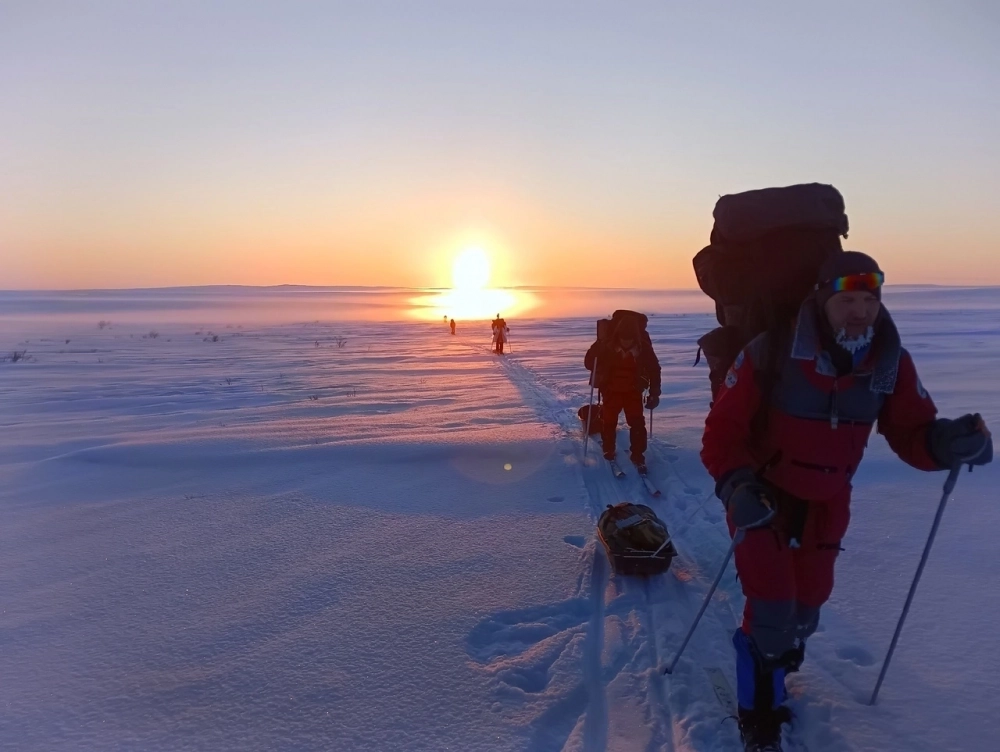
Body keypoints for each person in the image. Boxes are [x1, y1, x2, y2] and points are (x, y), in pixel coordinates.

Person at [701, 251, 993, 750]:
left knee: (806, 610)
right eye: (846, 301)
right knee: (771, 610)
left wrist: (947, 444)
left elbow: (910, 431)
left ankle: (778, 666)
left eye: (867, 301)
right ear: (821, 301)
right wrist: (737, 487)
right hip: (762, 498)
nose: (859, 312)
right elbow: (721, 434)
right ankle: (759, 714)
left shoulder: (889, 362)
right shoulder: (770, 352)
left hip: (829, 502)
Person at [584, 315, 661, 471]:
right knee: (609, 421)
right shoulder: (606, 346)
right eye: (623, 338)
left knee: (637, 422)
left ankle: (638, 454)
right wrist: (597, 347)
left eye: (630, 339)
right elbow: (589, 363)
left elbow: (654, 370)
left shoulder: (643, 348)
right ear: (618, 335)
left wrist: (654, 393)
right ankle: (608, 449)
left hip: (633, 391)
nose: (626, 342)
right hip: (611, 390)